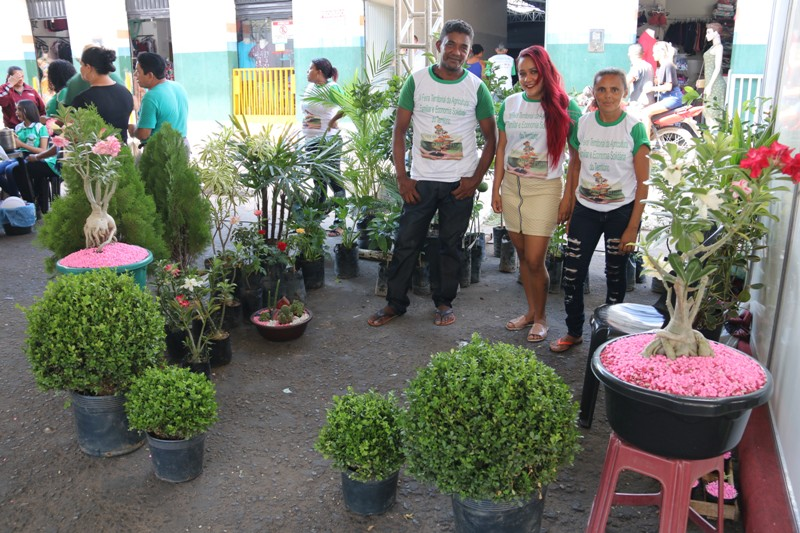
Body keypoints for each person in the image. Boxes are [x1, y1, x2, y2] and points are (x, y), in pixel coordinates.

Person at [367, 19, 496, 328]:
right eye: (450, 44)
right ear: (439, 46)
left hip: (458, 185)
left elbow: (492, 138)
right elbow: (399, 131)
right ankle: (396, 303)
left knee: (449, 247)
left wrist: (475, 180)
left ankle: (443, 301)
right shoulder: (418, 81)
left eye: (463, 47)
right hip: (421, 182)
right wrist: (402, 177)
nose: (456, 51)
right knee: (407, 242)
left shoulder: (476, 88)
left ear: (469, 52)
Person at [549, 68, 650, 353]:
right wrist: (568, 203)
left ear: (624, 93)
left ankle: (613, 337)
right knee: (572, 273)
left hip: (621, 211)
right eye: (601, 89)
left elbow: (644, 182)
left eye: (614, 90)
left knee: (615, 275)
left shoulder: (634, 127)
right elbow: (576, 166)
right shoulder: (583, 124)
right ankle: (573, 331)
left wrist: (633, 226)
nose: (607, 95)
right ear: (593, 92)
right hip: (586, 209)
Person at [491, 45, 582, 343]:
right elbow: (501, 147)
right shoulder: (510, 104)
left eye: (533, 72)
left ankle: (542, 317)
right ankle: (530, 312)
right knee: (520, 254)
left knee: (534, 258)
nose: (528, 79)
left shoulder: (565, 106)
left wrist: (568, 198)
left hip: (544, 189)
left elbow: (576, 158)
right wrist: (496, 188)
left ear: (545, 71)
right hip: (512, 187)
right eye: (523, 73)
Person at [301, 58, 345, 235]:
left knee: (335, 182)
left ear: (319, 72)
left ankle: (340, 224)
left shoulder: (332, 88)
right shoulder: (310, 87)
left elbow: (349, 106)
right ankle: (315, 223)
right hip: (311, 141)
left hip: (327, 143)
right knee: (318, 184)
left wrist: (334, 120)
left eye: (310, 68)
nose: (307, 71)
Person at [71, 47, 134, 142]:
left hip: (96, 155)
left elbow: (74, 135)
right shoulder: (126, 93)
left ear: (88, 67)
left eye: (81, 65)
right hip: (123, 152)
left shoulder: (83, 99)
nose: (80, 69)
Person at [7, 100, 60, 213]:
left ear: (28, 110)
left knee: (14, 170)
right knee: (7, 169)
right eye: (16, 109)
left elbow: (43, 151)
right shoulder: (18, 127)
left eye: (19, 110)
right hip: (22, 157)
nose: (16, 112)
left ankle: (29, 203)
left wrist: (21, 144)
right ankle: (19, 199)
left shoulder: (40, 127)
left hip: (41, 159)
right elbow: (18, 148)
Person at [128, 52, 189, 147]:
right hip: (182, 145)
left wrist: (133, 130)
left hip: (161, 151)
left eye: (138, 72)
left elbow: (144, 134)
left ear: (150, 75)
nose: (135, 75)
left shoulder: (151, 97)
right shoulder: (178, 87)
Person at [640, 41, 683, 139]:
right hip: (668, 98)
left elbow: (668, 87)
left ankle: (645, 143)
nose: (652, 54)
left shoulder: (667, 65)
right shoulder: (663, 66)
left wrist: (651, 88)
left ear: (660, 52)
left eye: (654, 52)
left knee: (645, 113)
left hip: (672, 98)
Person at [702, 22, 727, 128]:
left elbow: (717, 67)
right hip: (710, 83)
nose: (706, 35)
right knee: (708, 112)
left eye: (709, 32)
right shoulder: (713, 47)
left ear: (716, 33)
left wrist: (710, 85)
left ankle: (715, 141)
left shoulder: (719, 47)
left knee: (713, 113)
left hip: (715, 84)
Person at [626, 43, 655, 114]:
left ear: (629, 54)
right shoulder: (648, 66)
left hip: (638, 104)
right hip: (649, 101)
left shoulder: (637, 66)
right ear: (643, 53)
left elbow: (626, 81)